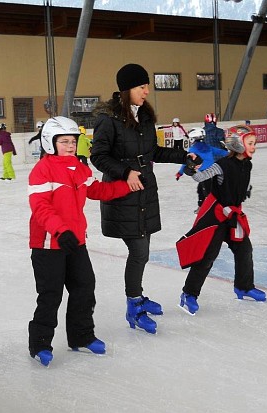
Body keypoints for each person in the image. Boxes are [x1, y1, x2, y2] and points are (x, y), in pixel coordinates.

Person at [90, 63, 201, 335]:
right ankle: (133, 306)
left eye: (146, 86)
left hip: (145, 191)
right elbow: (98, 157)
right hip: (123, 193)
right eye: (142, 87)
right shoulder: (109, 119)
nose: (147, 91)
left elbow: (153, 152)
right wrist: (125, 172)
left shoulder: (146, 117)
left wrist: (183, 156)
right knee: (138, 251)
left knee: (143, 252)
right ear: (127, 89)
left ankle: (137, 296)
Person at [28, 116, 136, 367]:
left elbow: (97, 190)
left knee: (84, 288)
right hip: (49, 244)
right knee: (50, 295)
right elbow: (40, 207)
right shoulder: (42, 170)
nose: (70, 145)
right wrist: (60, 231)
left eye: (73, 141)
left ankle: (81, 336)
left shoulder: (79, 167)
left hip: (75, 242)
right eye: (64, 141)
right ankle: (40, 344)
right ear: (49, 142)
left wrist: (127, 186)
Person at [176, 125, 266, 316]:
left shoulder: (247, 164)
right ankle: (188, 294)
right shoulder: (222, 164)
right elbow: (201, 176)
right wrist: (191, 169)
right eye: (250, 143)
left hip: (233, 216)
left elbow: (240, 185)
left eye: (254, 143)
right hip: (216, 217)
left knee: (244, 249)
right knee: (208, 256)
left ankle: (244, 287)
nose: (254, 147)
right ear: (238, 144)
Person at [175, 127, 229, 208]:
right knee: (202, 189)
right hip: (213, 171)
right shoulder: (208, 147)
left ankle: (211, 208)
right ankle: (202, 205)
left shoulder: (193, 149)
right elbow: (220, 152)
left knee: (206, 192)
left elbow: (186, 162)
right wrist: (231, 154)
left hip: (203, 174)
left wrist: (180, 173)